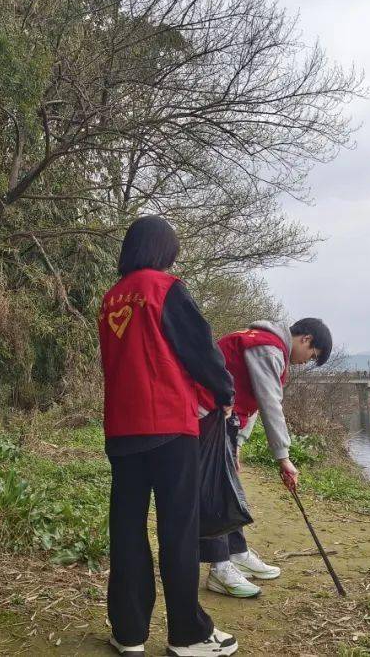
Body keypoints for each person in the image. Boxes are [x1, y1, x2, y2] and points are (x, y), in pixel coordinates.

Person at [99, 215, 239, 657]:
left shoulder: (111, 299)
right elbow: (200, 348)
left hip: (122, 430)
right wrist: (224, 392)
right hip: (168, 426)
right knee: (178, 530)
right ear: (163, 250)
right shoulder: (164, 288)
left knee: (126, 529)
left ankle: (128, 632)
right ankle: (188, 635)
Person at [198, 318, 332, 599]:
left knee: (230, 487)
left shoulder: (267, 345)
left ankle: (236, 553)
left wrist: (238, 444)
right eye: (313, 356)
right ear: (306, 340)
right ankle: (220, 569)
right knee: (217, 491)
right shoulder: (267, 348)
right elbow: (271, 403)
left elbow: (255, 402)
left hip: (224, 419)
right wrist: (283, 457)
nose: (306, 361)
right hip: (207, 414)